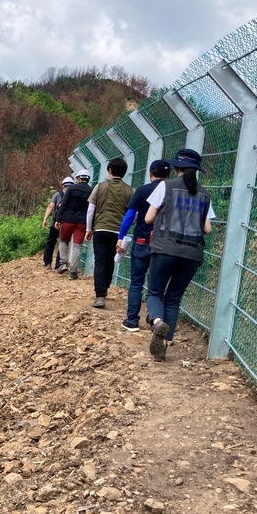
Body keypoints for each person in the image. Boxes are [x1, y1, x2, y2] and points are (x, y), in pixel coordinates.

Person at [143, 149, 214, 362]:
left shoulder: (166, 186)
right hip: (192, 253)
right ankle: (163, 347)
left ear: (176, 169)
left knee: (155, 292)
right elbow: (207, 229)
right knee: (173, 298)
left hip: (165, 249)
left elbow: (148, 218)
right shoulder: (204, 194)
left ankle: (157, 323)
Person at [115, 159, 172, 331]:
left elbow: (130, 216)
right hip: (164, 243)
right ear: (169, 175)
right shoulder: (173, 191)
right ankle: (155, 316)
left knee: (136, 281)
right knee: (158, 284)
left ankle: (132, 320)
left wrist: (121, 236)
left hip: (141, 241)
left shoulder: (142, 190)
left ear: (150, 173)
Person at [85, 158, 135, 308]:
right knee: (110, 262)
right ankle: (105, 289)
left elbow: (90, 210)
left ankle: (100, 296)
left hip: (100, 229)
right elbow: (134, 214)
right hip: (118, 232)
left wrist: (89, 229)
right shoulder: (130, 190)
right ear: (124, 173)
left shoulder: (100, 187)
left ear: (110, 171)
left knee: (100, 261)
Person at [55, 169, 93, 279]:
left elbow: (64, 204)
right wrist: (91, 226)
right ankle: (73, 272)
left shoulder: (71, 188)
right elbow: (93, 209)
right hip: (82, 222)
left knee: (63, 240)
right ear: (88, 179)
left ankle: (63, 263)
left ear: (78, 178)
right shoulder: (91, 191)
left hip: (68, 220)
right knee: (77, 246)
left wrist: (58, 219)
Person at [42, 177, 75, 269]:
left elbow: (50, 206)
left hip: (55, 223)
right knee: (63, 243)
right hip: (67, 224)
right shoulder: (74, 196)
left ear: (63, 185)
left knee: (50, 242)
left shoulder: (58, 194)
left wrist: (45, 219)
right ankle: (59, 266)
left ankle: (47, 263)